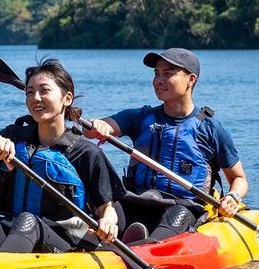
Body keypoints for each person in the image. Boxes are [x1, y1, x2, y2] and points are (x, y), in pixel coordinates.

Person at [0, 58, 124, 253]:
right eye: (30, 92)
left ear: (67, 98)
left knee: (28, 220)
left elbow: (106, 209)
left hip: (62, 245)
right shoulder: (14, 136)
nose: (35, 98)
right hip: (11, 236)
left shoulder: (87, 153)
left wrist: (107, 222)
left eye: (44, 91)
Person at [84, 48, 249, 243]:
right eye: (156, 73)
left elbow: (238, 178)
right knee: (101, 214)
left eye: (168, 74)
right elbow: (91, 131)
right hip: (135, 200)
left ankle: (141, 245)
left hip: (181, 207)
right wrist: (100, 125)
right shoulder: (140, 117)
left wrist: (232, 196)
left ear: (191, 79)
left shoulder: (211, 128)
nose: (158, 80)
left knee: (175, 219)